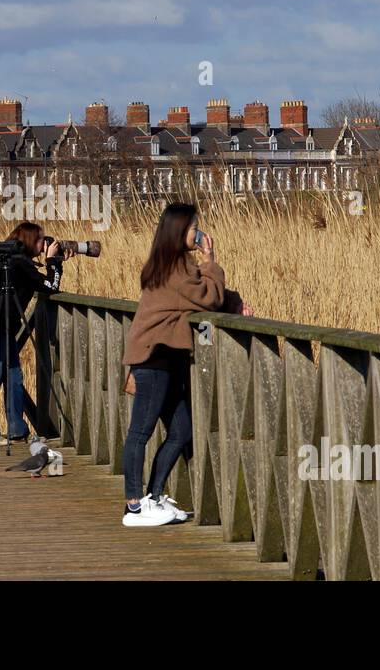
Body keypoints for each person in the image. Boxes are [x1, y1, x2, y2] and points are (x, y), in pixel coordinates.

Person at [120, 202, 253, 527]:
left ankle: (153, 496)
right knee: (140, 432)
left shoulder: (177, 265)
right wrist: (212, 260)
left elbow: (206, 294)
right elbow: (207, 297)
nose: (199, 233)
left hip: (166, 359)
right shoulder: (172, 270)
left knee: (180, 431)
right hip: (154, 358)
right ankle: (134, 507)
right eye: (194, 227)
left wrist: (236, 303)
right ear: (180, 231)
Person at [0, 221, 70, 446]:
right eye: (42, 240)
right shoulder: (19, 265)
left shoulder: (17, 263)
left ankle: (17, 429)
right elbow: (51, 286)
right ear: (31, 241)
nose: (45, 244)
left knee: (13, 377)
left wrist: (54, 260)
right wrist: (52, 261)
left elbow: (43, 281)